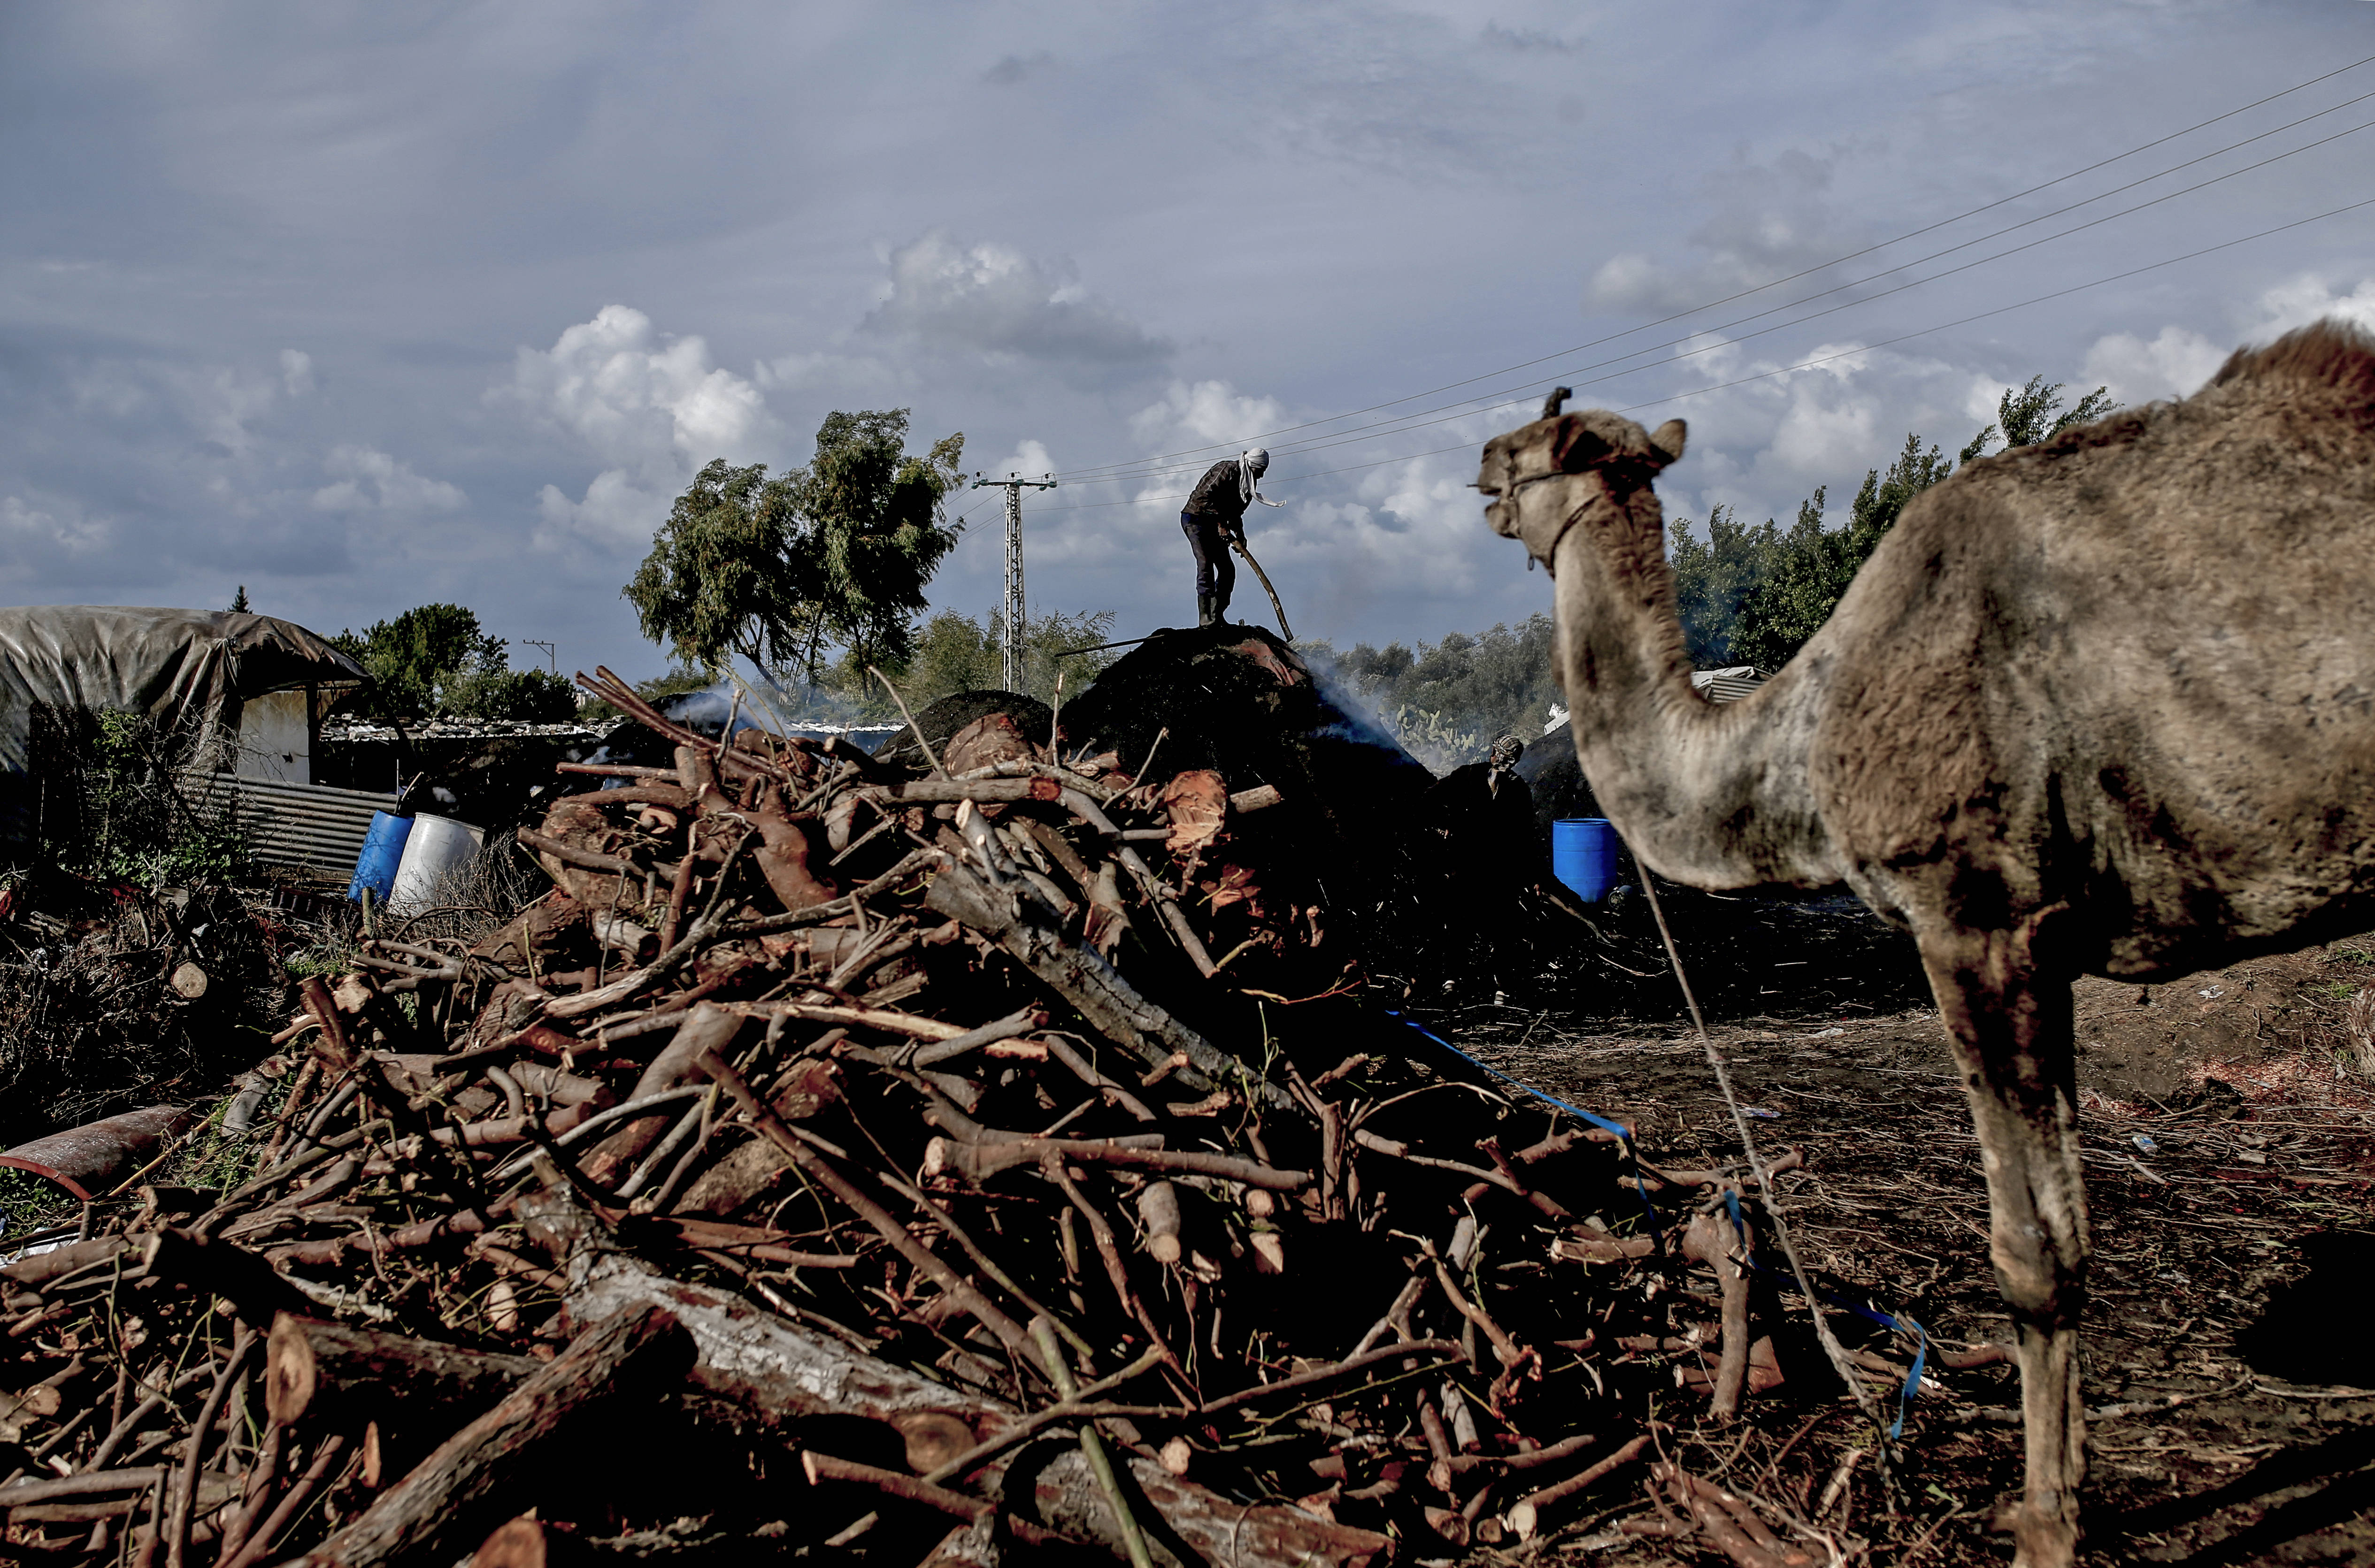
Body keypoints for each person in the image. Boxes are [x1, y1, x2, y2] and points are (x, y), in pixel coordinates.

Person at [1181, 447, 1283, 627]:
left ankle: (1217, 615)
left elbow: (1236, 513)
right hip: (1195, 519)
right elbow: (1204, 498)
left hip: (1216, 525)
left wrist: (1241, 536)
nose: (1261, 477)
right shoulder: (1227, 470)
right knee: (1205, 564)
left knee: (1228, 570)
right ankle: (1206, 618)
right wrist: (1221, 524)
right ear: (1252, 466)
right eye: (1260, 471)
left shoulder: (1247, 486)